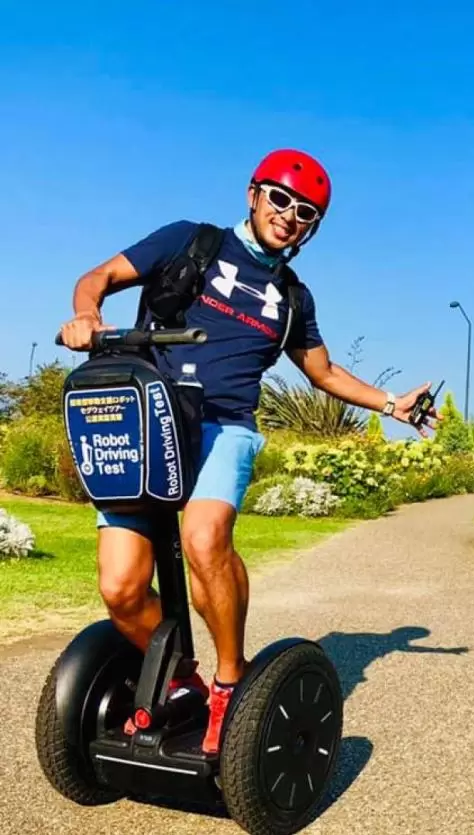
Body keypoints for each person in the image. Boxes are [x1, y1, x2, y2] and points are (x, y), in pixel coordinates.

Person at [57, 149, 438, 754]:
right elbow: (97, 278)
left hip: (222, 426)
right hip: (151, 419)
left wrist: (393, 404)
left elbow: (325, 372)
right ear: (254, 195)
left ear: (312, 228)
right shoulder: (189, 242)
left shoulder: (292, 297)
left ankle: (230, 681)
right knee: (121, 590)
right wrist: (85, 313)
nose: (289, 215)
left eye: (305, 212)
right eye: (280, 199)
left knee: (205, 539)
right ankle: (181, 677)